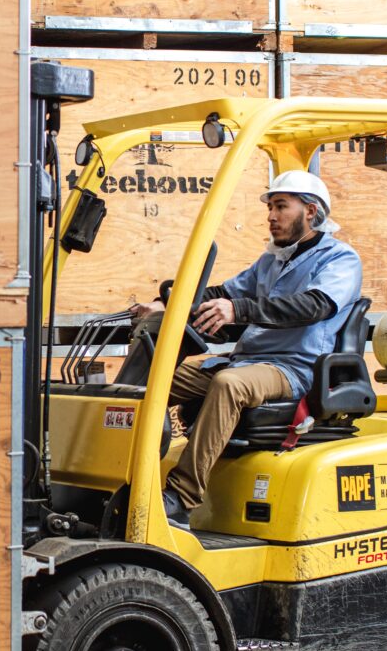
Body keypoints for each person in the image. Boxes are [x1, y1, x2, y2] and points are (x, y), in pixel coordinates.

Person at [129, 170, 363, 530]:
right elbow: (223, 293)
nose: (271, 216)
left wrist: (240, 310)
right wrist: (167, 300)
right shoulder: (272, 259)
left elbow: (313, 305)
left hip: (293, 369)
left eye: (281, 206)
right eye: (270, 207)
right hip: (246, 361)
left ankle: (180, 497)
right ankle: (122, 474)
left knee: (229, 385)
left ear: (312, 212)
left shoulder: (340, 259)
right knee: (157, 380)